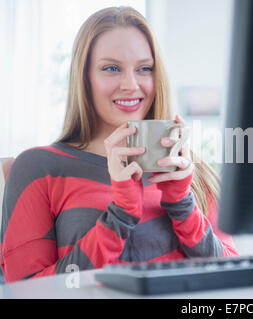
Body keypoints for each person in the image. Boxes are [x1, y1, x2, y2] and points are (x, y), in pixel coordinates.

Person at [0, 6, 238, 283]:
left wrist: (182, 205)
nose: (130, 84)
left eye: (144, 68)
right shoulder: (39, 167)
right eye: (111, 68)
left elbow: (235, 278)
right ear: (84, 78)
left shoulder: (188, 170)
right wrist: (120, 216)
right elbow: (29, 290)